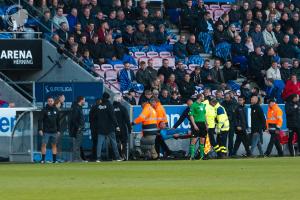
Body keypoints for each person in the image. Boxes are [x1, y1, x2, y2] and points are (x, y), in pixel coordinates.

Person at [94, 92, 122, 162]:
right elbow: (113, 116)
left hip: (101, 127)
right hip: (110, 127)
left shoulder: (99, 106)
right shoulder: (109, 105)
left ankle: (98, 158)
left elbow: (96, 117)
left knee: (99, 143)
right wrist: (117, 125)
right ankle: (117, 157)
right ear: (108, 98)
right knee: (114, 142)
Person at [38, 97, 60, 163]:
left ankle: (54, 160)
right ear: (47, 102)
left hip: (54, 131)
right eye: (49, 101)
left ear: (53, 102)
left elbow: (58, 121)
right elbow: (40, 120)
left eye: (51, 101)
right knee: (44, 144)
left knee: (54, 145)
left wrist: (59, 130)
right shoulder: (44, 110)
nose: (50, 102)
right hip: (46, 131)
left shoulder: (56, 109)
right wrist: (40, 129)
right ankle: (43, 160)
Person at [113, 95, 131, 160]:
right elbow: (127, 119)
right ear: (119, 100)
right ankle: (123, 156)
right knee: (124, 143)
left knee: (114, 142)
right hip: (122, 128)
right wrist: (129, 128)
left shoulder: (111, 108)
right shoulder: (123, 108)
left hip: (113, 129)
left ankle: (115, 156)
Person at [189, 93, 207, 160]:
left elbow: (204, 115)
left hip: (202, 124)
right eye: (203, 97)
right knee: (194, 140)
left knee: (202, 140)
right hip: (196, 123)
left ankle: (202, 156)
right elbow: (191, 116)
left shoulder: (203, 105)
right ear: (200, 97)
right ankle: (192, 156)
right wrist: (194, 125)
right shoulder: (193, 105)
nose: (204, 98)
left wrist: (206, 124)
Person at [69, 96, 86, 162]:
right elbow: (73, 119)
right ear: (81, 100)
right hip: (77, 129)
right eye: (84, 100)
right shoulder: (76, 108)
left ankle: (78, 159)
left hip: (79, 129)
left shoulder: (78, 107)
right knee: (76, 145)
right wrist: (78, 127)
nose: (84, 101)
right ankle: (76, 159)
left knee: (78, 145)